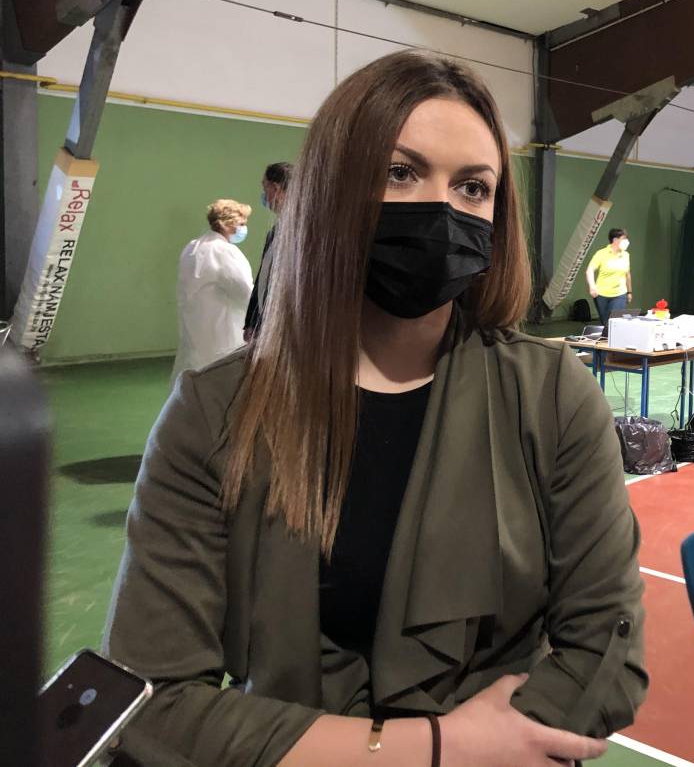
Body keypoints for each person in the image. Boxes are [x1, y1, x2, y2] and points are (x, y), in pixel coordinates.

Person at [105, 52, 645, 766]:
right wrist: (438, 749)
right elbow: (150, 703)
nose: (442, 210)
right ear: (332, 188)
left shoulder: (551, 396)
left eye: (473, 187)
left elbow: (606, 657)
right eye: (400, 173)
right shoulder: (213, 413)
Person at [171, 199, 253, 382]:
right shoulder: (224, 251)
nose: (244, 228)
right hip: (222, 334)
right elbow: (245, 293)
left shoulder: (193, 247)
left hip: (195, 331)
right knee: (222, 381)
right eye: (241, 224)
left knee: (193, 379)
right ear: (227, 224)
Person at [244, 161, 292, 341]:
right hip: (267, 323)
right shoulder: (275, 231)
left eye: (265, 189)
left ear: (276, 188)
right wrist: (252, 321)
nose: (264, 196)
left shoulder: (304, 232)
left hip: (287, 325)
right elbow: (263, 278)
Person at [586, 227, 633, 327]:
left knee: (615, 322)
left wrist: (629, 292)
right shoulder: (601, 253)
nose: (627, 241)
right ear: (615, 240)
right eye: (624, 239)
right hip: (601, 294)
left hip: (620, 293)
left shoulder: (626, 255)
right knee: (606, 323)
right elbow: (590, 270)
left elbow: (627, 273)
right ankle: (606, 336)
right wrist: (592, 286)